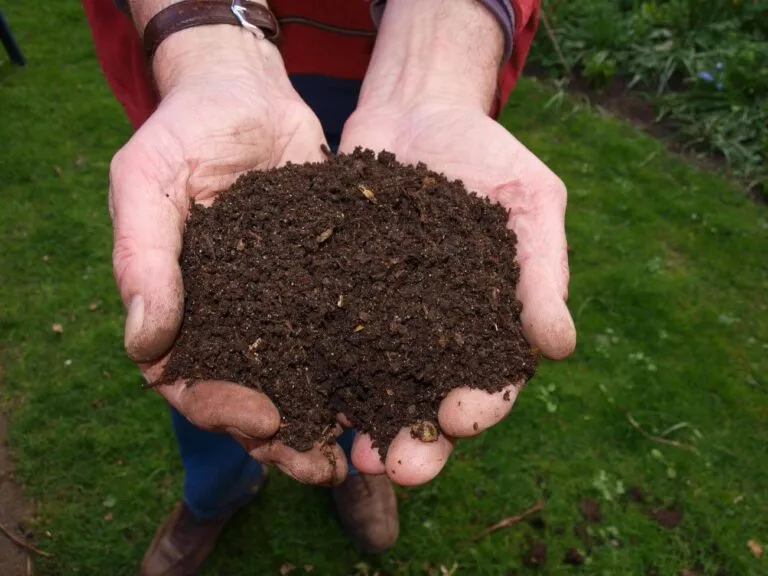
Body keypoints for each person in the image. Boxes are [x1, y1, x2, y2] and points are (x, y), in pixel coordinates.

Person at [82, 0, 576, 573]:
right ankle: (213, 496)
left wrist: (436, 53)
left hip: (386, 55)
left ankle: (360, 456)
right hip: (205, 58)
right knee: (209, 366)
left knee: (353, 385)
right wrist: (206, 43)